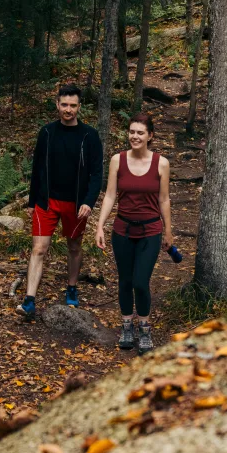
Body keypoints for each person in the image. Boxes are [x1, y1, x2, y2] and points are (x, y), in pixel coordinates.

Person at [16, 84, 104, 321]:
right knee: (39, 248)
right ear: (57, 104)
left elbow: (97, 174)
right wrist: (34, 200)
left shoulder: (89, 136)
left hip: (76, 205)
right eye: (64, 104)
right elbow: (37, 168)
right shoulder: (46, 133)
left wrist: (89, 202)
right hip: (47, 202)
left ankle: (72, 287)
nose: (68, 109)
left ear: (79, 107)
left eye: (73, 105)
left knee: (74, 247)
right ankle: (29, 300)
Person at [95, 114, 172, 354]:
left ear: (150, 136)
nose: (135, 136)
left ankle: (145, 327)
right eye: (131, 132)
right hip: (123, 230)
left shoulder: (161, 163)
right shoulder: (118, 160)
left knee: (141, 282)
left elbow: (164, 199)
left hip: (150, 230)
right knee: (125, 281)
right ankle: (127, 326)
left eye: (140, 132)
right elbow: (109, 196)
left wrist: (168, 230)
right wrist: (99, 225)